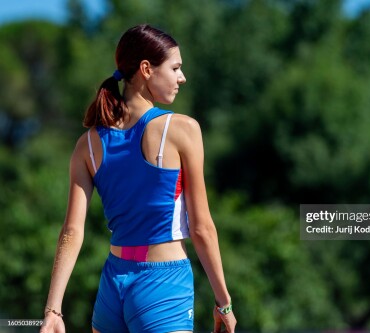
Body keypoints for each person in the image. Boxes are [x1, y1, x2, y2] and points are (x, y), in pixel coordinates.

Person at [40, 24, 237, 333]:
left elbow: (71, 231)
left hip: (111, 287)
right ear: (147, 69)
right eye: (175, 68)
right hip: (163, 284)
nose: (181, 77)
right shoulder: (181, 129)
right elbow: (202, 228)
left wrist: (53, 310)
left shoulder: (87, 144)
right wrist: (223, 303)